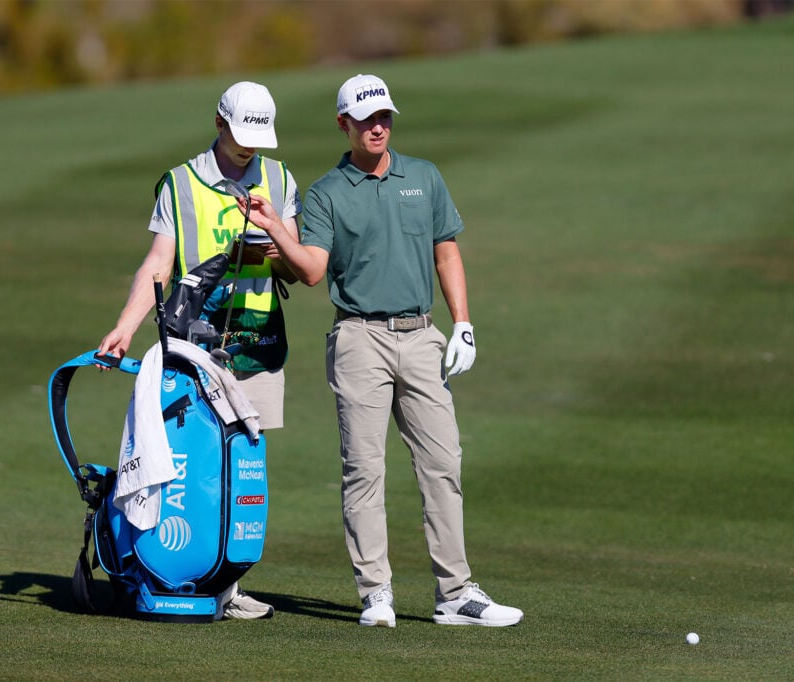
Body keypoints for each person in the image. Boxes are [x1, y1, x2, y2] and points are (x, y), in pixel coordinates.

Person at [236, 74, 523, 627]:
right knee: (364, 470)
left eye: (384, 117)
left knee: (443, 464)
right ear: (344, 123)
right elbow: (314, 272)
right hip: (358, 339)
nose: (378, 127)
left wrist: (462, 324)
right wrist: (276, 227)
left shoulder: (425, 177)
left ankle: (456, 594)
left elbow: (447, 253)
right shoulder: (325, 193)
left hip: (421, 336)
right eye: (366, 120)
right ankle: (377, 595)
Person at [98, 81, 302, 621]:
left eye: (258, 137)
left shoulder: (279, 179)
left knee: (242, 467)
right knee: (191, 467)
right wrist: (125, 326)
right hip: (192, 349)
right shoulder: (181, 183)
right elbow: (159, 264)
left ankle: (228, 584)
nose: (249, 147)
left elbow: (294, 264)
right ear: (219, 123)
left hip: (255, 344)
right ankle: (177, 570)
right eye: (240, 135)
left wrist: (270, 232)